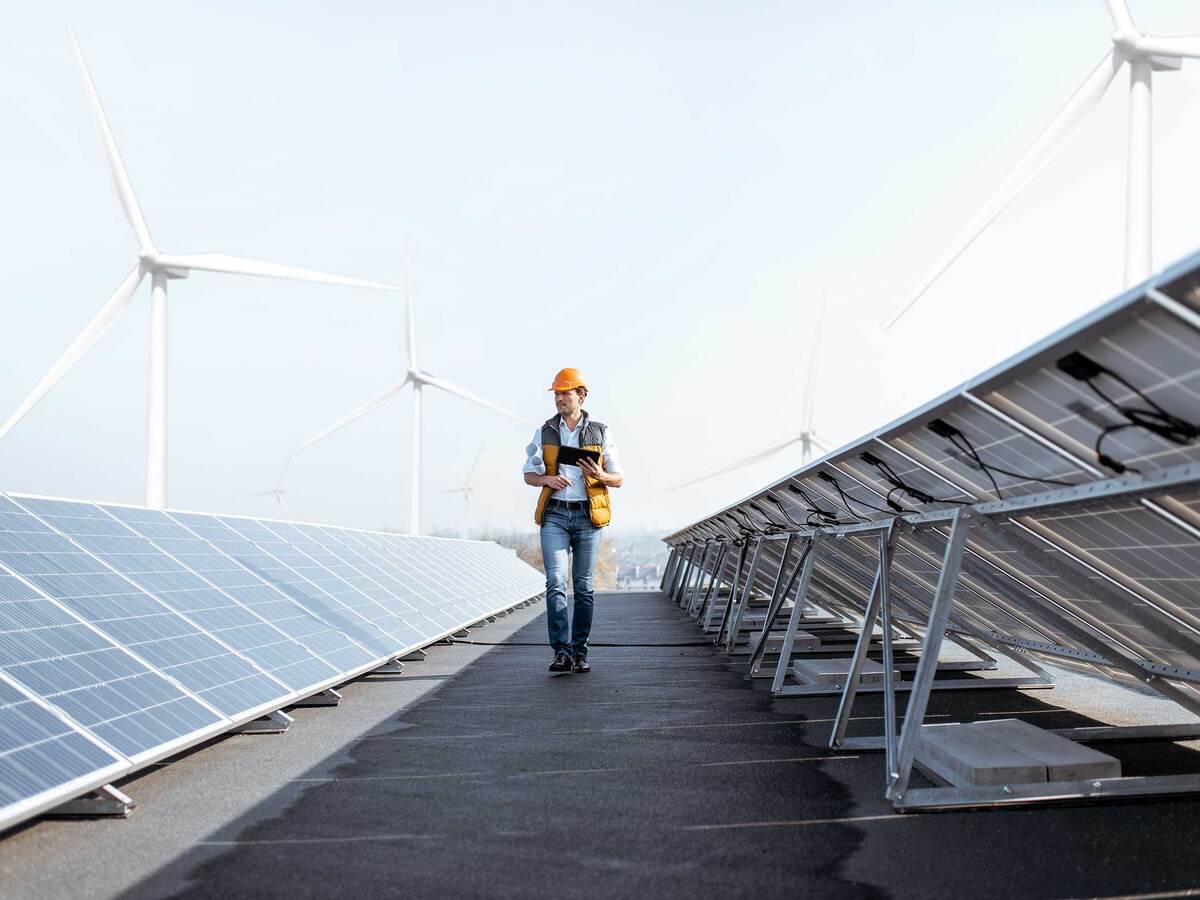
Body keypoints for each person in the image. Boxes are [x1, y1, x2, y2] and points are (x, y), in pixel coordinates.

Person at [522, 368, 623, 674]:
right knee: (555, 581)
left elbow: (618, 478)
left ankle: (579, 651)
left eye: (565, 393)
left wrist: (600, 475)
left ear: (581, 395)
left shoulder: (601, 432)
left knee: (583, 586)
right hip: (555, 514)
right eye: (556, 394)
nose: (560, 399)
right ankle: (560, 652)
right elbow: (528, 474)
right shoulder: (544, 432)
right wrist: (547, 479)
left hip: (587, 516)